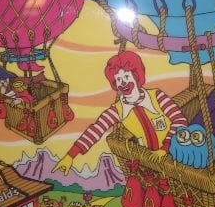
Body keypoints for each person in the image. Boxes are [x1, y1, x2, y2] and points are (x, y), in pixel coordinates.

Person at [53, 51, 188, 175]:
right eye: (118, 79)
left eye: (126, 76)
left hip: (178, 152)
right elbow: (96, 129)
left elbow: (180, 121)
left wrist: (165, 147)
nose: (123, 83)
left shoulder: (157, 96)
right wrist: (70, 156)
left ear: (136, 76)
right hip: (151, 162)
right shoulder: (118, 110)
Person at [0, 63, 33, 127]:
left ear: (7, 80)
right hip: (13, 118)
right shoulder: (0, 94)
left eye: (1, 82)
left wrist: (20, 100)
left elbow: (29, 98)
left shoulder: (18, 87)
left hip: (26, 116)